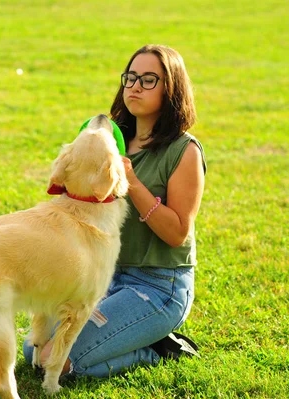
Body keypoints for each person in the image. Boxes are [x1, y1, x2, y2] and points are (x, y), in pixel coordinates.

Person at [23, 44, 207, 378]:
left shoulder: (184, 150)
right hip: (102, 277)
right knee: (32, 350)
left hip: (156, 286)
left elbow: (178, 232)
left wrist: (132, 182)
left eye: (149, 79)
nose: (135, 86)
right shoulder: (111, 139)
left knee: (58, 362)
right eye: (131, 77)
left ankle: (158, 350)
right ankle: (129, 337)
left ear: (172, 90)